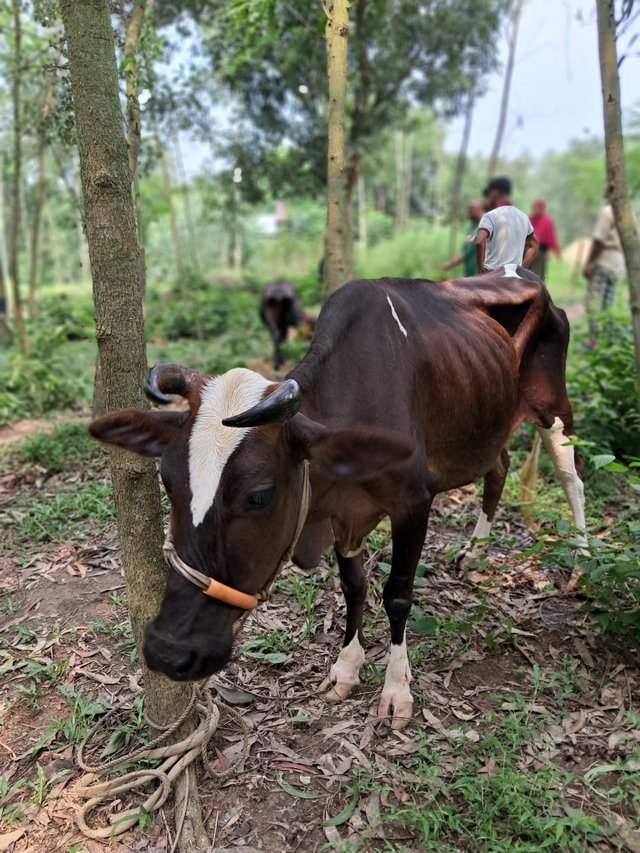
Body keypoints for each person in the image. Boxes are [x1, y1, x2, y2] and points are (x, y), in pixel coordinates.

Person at [475, 176, 539, 273]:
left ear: (495, 192)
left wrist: (480, 270)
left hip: (492, 273)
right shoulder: (523, 217)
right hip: (514, 274)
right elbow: (534, 245)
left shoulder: (490, 216)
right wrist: (522, 269)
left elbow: (479, 242)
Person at [583, 190, 625, 335]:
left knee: (593, 302)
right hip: (618, 264)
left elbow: (599, 241)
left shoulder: (608, 211)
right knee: (608, 304)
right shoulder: (627, 213)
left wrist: (588, 262)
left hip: (604, 261)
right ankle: (607, 338)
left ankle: (595, 339)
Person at [441, 199, 485, 277]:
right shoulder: (471, 228)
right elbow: (466, 249)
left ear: (481, 210)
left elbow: (465, 254)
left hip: (479, 275)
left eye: (472, 209)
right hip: (470, 274)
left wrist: (450, 264)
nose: (469, 212)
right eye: (469, 209)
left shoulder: (482, 228)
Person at [529, 198, 561, 280]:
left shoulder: (547, 221)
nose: (534, 209)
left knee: (538, 275)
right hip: (527, 250)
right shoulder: (529, 219)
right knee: (526, 273)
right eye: (533, 207)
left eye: (536, 207)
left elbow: (550, 237)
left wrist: (548, 251)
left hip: (540, 252)